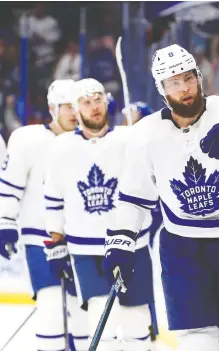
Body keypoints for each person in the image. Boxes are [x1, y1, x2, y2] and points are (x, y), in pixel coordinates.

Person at [102, 44, 219, 351]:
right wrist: (121, 244)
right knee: (197, 342)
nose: (185, 88)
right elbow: (134, 198)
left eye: (188, 78)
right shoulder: (145, 135)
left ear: (199, 77)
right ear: (161, 89)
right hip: (182, 248)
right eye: (174, 83)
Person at [44, 78, 154, 350]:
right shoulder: (61, 148)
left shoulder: (129, 140)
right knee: (99, 318)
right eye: (85, 102)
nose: (93, 107)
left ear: (107, 102)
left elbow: (147, 186)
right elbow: (54, 199)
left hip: (131, 245)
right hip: (85, 248)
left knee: (136, 320)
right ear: (76, 108)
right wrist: (56, 242)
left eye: (98, 100)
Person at [0, 80, 89, 350]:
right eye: (66, 107)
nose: (73, 113)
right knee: (51, 309)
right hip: (40, 239)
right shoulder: (28, 140)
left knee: (83, 312)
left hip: (80, 240)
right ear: (52, 108)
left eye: (77, 106)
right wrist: (5, 222)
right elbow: (10, 185)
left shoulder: (88, 142)